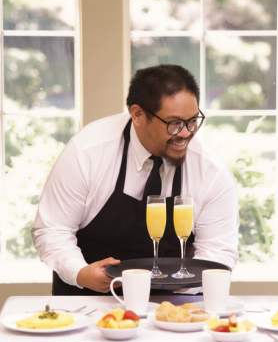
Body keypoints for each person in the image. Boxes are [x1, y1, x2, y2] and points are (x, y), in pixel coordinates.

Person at [32, 64, 239, 295]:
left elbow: (218, 251)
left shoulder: (211, 171)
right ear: (138, 114)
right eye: (174, 124)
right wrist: (80, 273)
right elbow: (52, 230)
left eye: (192, 121)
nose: (185, 133)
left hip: (172, 304)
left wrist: (183, 286)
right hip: (88, 297)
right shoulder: (87, 152)